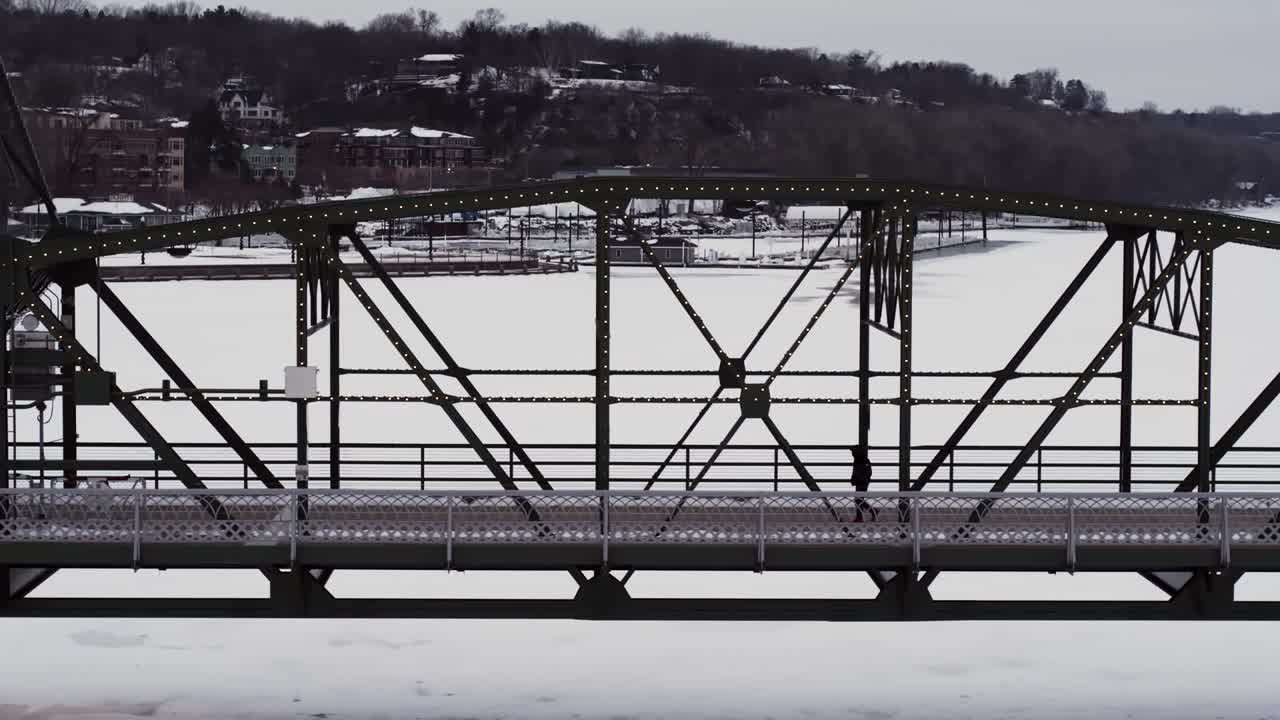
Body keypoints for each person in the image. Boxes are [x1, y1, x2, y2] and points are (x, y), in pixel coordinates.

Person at [850, 446, 878, 522]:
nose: (852, 453)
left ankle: (862, 516)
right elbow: (856, 471)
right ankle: (871, 512)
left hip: (862, 483)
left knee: (858, 500)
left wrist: (859, 479)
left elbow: (868, 472)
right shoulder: (858, 459)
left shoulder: (862, 459)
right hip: (860, 483)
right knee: (859, 500)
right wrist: (853, 478)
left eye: (853, 451)